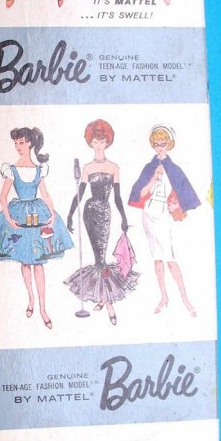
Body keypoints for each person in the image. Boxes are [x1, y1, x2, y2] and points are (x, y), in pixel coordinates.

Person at [0, 127, 73, 329]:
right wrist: (9, 219)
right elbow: (2, 197)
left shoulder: (39, 169)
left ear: (30, 143)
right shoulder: (11, 169)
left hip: (37, 215)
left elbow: (45, 194)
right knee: (25, 262)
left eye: (22, 142)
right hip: (19, 216)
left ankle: (43, 308)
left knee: (39, 263)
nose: (18, 146)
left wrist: (52, 214)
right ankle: (31, 299)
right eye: (16, 143)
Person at [65, 119, 136, 325]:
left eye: (102, 141)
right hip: (89, 211)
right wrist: (70, 214)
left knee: (102, 257)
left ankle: (105, 299)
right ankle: (107, 301)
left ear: (107, 142)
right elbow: (79, 193)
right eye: (95, 141)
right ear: (90, 142)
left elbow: (117, 197)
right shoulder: (87, 168)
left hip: (105, 212)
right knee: (99, 257)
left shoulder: (114, 167)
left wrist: (124, 217)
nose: (98, 145)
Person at [129, 125, 199, 315]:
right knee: (157, 258)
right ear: (153, 145)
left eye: (163, 144)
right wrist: (153, 177)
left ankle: (185, 299)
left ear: (169, 145)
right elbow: (140, 194)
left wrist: (177, 206)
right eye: (156, 144)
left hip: (162, 216)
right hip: (148, 214)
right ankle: (164, 296)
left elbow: (184, 194)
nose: (159, 147)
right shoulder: (149, 167)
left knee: (169, 258)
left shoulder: (174, 169)